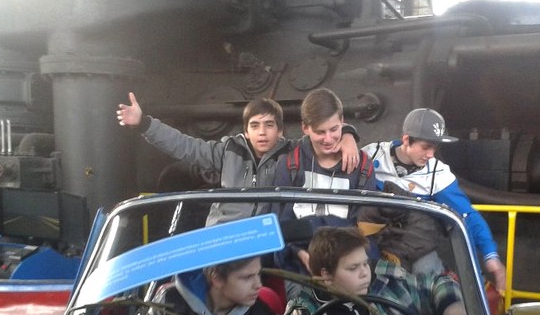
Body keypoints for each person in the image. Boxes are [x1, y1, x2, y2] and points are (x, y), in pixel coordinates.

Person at [116, 93, 361, 226]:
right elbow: (185, 146)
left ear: (280, 131)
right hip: (223, 232)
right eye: (255, 126)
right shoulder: (227, 151)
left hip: (264, 237)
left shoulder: (292, 153)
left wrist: (349, 134)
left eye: (269, 125)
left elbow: (322, 133)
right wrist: (144, 124)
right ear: (246, 131)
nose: (262, 132)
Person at [361, 108, 507, 292]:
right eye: (425, 147)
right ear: (406, 140)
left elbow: (467, 215)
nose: (431, 154)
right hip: (368, 244)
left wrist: (490, 254)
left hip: (411, 248)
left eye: (435, 148)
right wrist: (348, 136)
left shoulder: (437, 174)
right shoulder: (371, 155)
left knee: (428, 280)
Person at [273, 88, 379, 283]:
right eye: (320, 132)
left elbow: (365, 225)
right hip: (300, 266)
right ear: (305, 128)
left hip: (348, 265)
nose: (328, 139)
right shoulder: (289, 164)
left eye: (334, 129)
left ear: (343, 123)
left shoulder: (363, 166)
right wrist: (299, 253)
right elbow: (281, 223)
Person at [285, 226, 468, 315]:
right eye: (353, 268)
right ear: (326, 276)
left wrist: (450, 305)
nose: (365, 273)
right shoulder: (305, 311)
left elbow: (435, 282)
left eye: (365, 264)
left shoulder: (388, 281)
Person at [149, 256, 277, 315]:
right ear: (217, 279)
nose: (258, 285)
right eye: (247, 277)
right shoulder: (168, 304)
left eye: (258, 274)